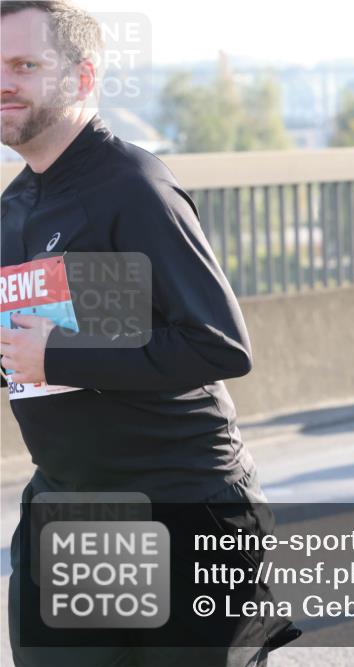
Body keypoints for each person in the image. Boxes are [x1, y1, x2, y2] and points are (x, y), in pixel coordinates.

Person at [1, 2, 298, 663]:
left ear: (82, 77)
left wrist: (58, 354)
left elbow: (216, 344)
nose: (4, 82)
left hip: (182, 507)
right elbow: (50, 346)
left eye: (23, 64)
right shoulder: (15, 207)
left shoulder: (134, 186)